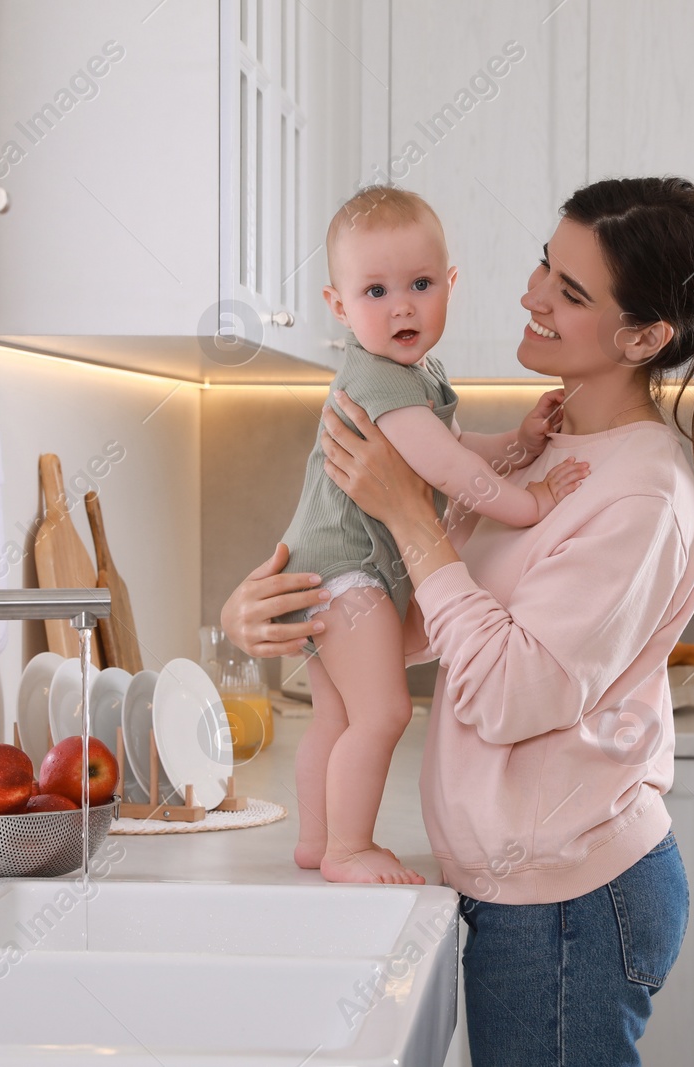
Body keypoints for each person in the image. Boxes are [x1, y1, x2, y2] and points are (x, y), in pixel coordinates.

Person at [222, 175, 694, 1065]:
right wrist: (282, 613)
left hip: (574, 900)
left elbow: (510, 694)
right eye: (542, 266)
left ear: (643, 336)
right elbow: (431, 625)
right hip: (520, 886)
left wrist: (410, 515)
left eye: (570, 290)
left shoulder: (641, 494)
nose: (532, 295)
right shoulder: (552, 450)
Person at [276, 185, 591, 884]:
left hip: (329, 572)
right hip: (347, 579)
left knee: (335, 712)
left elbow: (449, 443)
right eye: (375, 290)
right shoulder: (380, 379)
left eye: (420, 284)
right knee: (384, 711)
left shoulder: (412, 374)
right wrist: (530, 498)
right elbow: (448, 467)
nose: (402, 307)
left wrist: (516, 440)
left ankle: (316, 839)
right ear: (338, 305)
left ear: (450, 284)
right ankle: (348, 848)